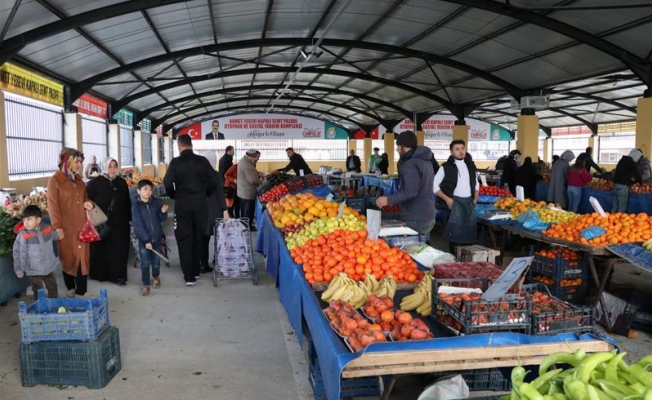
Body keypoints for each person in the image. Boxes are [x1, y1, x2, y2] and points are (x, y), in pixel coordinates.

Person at [164, 135, 218, 286]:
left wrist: (174, 195)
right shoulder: (202, 161)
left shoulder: (175, 162)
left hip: (183, 205)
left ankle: (189, 276)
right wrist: (204, 193)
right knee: (198, 237)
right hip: (201, 204)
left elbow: (167, 183)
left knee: (184, 238)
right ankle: (196, 270)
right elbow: (213, 180)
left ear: (179, 146)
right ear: (191, 145)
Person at [47, 148, 94, 298]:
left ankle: (81, 291)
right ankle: (70, 288)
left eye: (81, 161)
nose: (80, 164)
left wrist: (88, 203)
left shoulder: (79, 179)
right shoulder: (55, 181)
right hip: (66, 228)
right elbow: (53, 206)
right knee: (68, 258)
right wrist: (58, 227)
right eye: (77, 161)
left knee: (83, 258)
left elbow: (85, 196)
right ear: (66, 161)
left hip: (82, 226)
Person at [375, 131, 435, 239]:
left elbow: (410, 191)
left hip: (416, 216)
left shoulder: (410, 164)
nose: (397, 149)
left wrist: (387, 200)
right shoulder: (426, 161)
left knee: (411, 249)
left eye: (397, 146)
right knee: (422, 246)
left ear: (403, 146)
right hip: (428, 213)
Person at [86, 157, 132, 286]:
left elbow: (127, 202)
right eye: (110, 166)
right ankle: (100, 274)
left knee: (119, 249)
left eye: (114, 166)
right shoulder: (95, 183)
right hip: (102, 223)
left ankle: (119, 276)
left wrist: (130, 218)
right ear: (104, 167)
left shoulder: (122, 182)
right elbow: (87, 201)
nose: (112, 169)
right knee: (102, 248)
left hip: (120, 223)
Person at [433, 140, 479, 253]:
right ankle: (454, 260)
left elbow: (477, 184)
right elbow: (434, 186)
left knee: (469, 233)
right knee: (455, 234)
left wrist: (475, 199)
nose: (461, 151)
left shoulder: (471, 166)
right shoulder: (445, 167)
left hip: (469, 202)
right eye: (457, 149)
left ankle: (466, 262)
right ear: (451, 151)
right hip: (454, 203)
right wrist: (447, 199)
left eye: (462, 148)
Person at [12, 205, 59, 299]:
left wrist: (59, 233)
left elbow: (55, 236)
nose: (26, 223)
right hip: (33, 270)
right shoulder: (23, 235)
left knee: (53, 287)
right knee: (38, 291)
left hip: (48, 267)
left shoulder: (47, 228)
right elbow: (18, 253)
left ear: (38, 220)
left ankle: (53, 305)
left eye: (29, 219)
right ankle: (40, 309)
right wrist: (19, 269)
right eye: (24, 220)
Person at [132, 179, 169, 296]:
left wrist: (163, 212)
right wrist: (146, 240)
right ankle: (146, 283)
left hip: (156, 237)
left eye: (150, 189)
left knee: (156, 261)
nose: (148, 192)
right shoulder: (136, 206)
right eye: (145, 189)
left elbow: (162, 218)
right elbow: (138, 224)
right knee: (145, 263)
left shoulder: (156, 202)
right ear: (139, 191)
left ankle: (156, 276)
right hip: (144, 240)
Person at [202, 165, 230, 274]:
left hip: (202, 210)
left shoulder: (199, 175)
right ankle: (218, 260)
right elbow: (220, 194)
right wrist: (225, 209)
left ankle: (203, 264)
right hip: (215, 209)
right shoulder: (216, 175)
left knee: (204, 238)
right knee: (219, 237)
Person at [237, 149, 264, 230]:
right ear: (250, 157)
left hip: (242, 191)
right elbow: (253, 180)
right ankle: (246, 227)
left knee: (244, 211)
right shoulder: (247, 165)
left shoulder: (243, 161)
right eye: (256, 158)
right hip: (247, 193)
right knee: (248, 212)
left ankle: (244, 225)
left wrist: (256, 173)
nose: (257, 160)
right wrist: (263, 181)